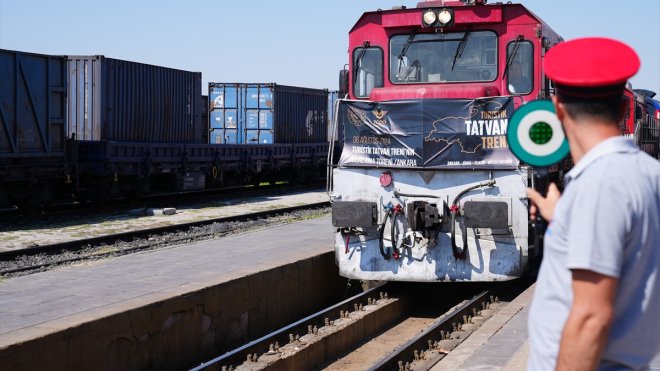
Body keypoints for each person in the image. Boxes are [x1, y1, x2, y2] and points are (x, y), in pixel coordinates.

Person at [526, 37, 660, 370]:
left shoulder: (600, 186)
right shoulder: (648, 171)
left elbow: (590, 318)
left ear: (558, 109)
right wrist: (562, 218)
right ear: (625, 108)